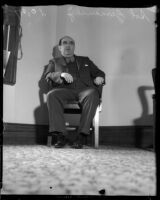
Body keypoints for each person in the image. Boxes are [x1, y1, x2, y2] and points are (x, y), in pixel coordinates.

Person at [44, 36, 105, 148]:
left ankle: (82, 135)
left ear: (74, 46)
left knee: (92, 93)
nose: (68, 45)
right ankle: (60, 135)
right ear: (60, 47)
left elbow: (99, 72)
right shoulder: (54, 61)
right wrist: (61, 74)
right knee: (51, 95)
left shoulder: (85, 60)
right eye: (65, 43)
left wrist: (100, 77)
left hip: (85, 90)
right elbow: (48, 76)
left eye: (71, 43)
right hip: (64, 90)